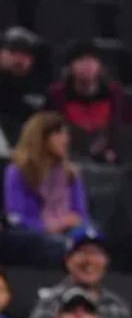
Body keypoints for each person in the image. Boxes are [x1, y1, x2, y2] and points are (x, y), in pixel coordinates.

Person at [3, 112, 88, 264]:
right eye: (58, 134)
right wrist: (49, 227)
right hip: (33, 234)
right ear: (41, 139)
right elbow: (16, 215)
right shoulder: (18, 171)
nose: (65, 139)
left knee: (91, 241)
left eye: (65, 134)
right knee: (52, 244)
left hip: (69, 230)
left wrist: (71, 223)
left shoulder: (71, 173)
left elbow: (80, 213)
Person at [27, 227, 132, 318]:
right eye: (82, 253)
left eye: (96, 253)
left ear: (106, 261)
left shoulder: (117, 306)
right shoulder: (49, 303)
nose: (89, 261)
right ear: (67, 260)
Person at [47, 40, 125, 163]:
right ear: (70, 68)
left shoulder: (115, 94)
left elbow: (123, 130)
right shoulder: (57, 95)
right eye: (81, 60)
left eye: (92, 60)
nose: (87, 65)